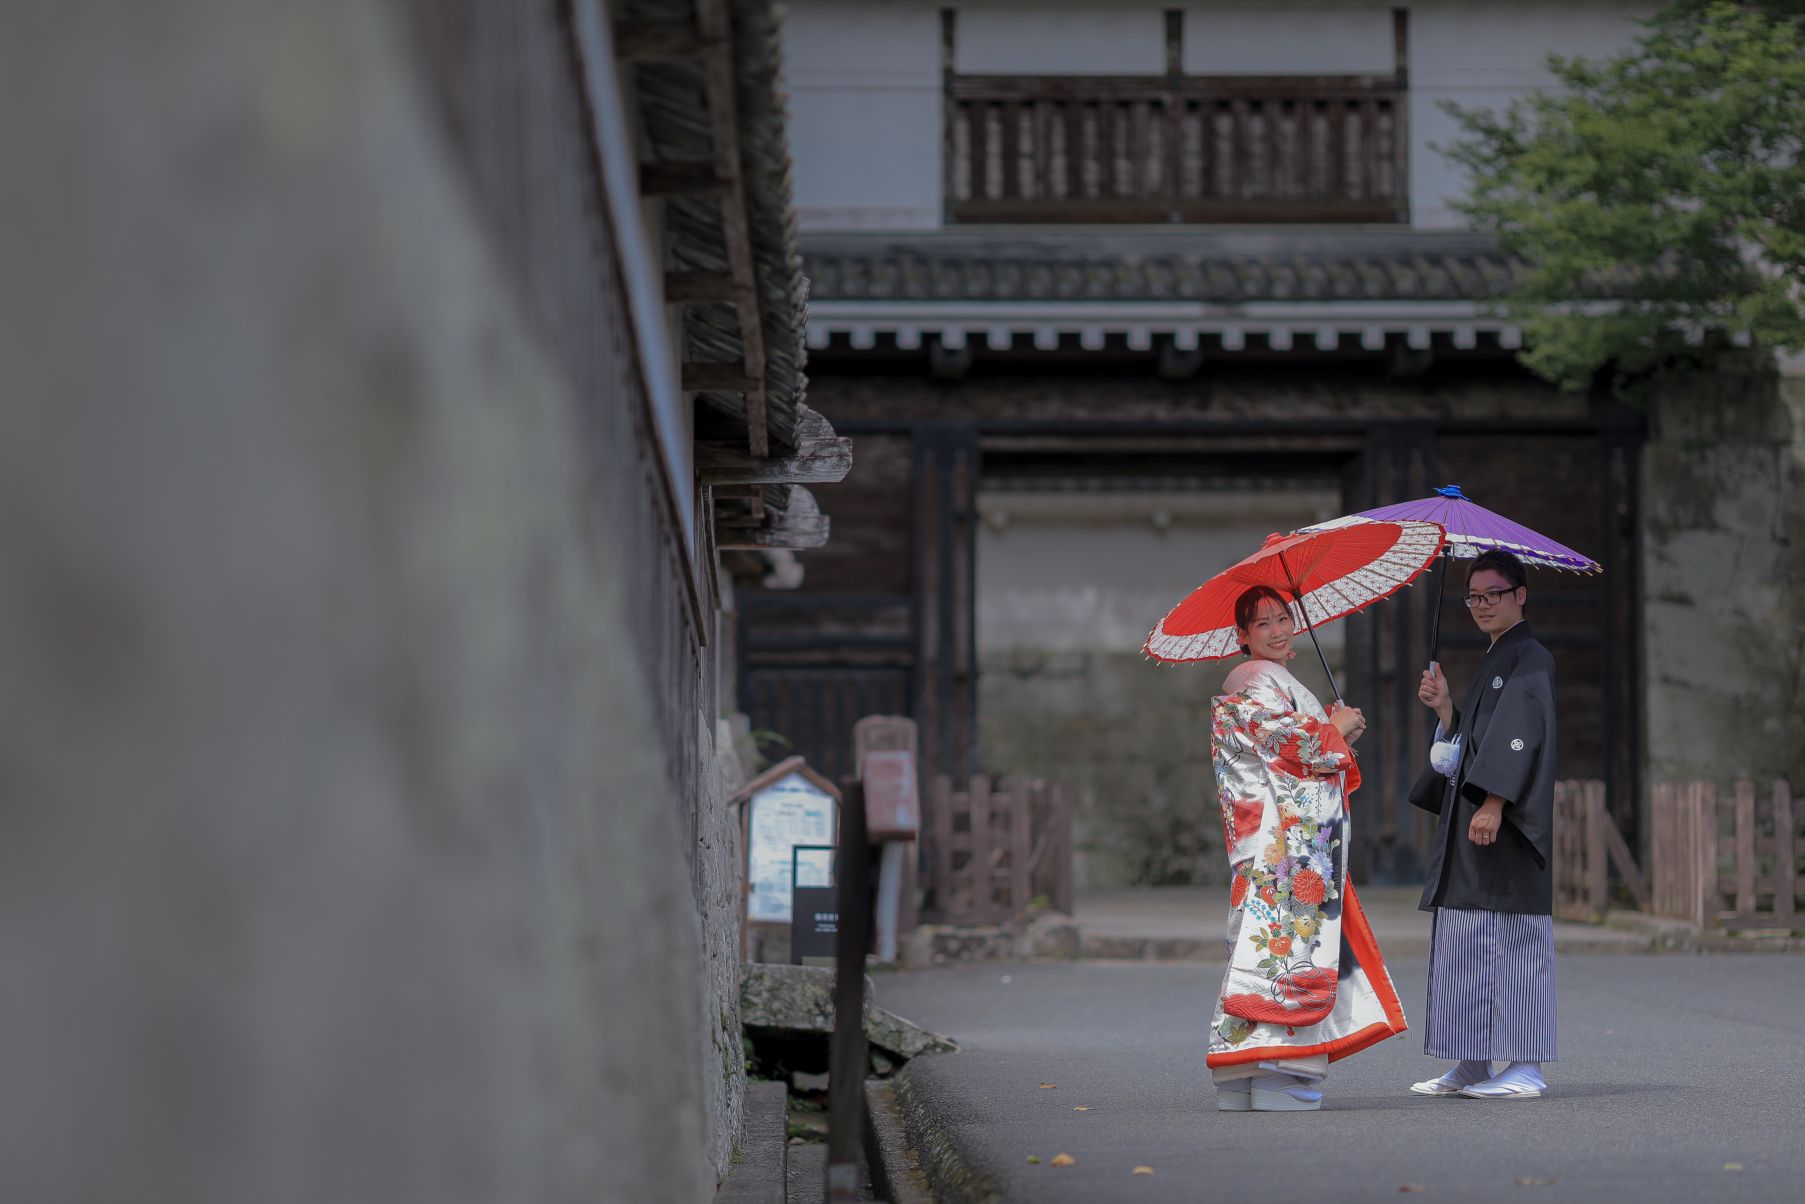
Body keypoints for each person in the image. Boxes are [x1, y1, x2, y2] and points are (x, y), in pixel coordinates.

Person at [1206, 584, 1408, 1112]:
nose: (1276, 631)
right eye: (1262, 624)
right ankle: (1282, 1073)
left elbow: (1293, 745)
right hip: (1281, 842)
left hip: (1268, 838)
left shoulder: (1268, 681)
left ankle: (1244, 1070)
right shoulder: (1258, 681)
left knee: (1258, 949)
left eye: (1282, 619)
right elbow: (1284, 742)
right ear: (1242, 636)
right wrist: (1333, 731)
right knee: (1289, 949)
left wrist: (1334, 731)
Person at [1408, 549, 1559, 1100]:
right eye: (1473, 596)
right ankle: (1471, 1060)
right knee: (1466, 940)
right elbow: (1472, 744)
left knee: (1514, 942)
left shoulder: (1530, 657)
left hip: (1506, 827)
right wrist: (1447, 712)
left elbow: (1520, 736)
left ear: (1521, 594)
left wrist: (1494, 801)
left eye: (1493, 594)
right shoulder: (1496, 657)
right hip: (1475, 825)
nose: (1482, 605)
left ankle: (1525, 1065)